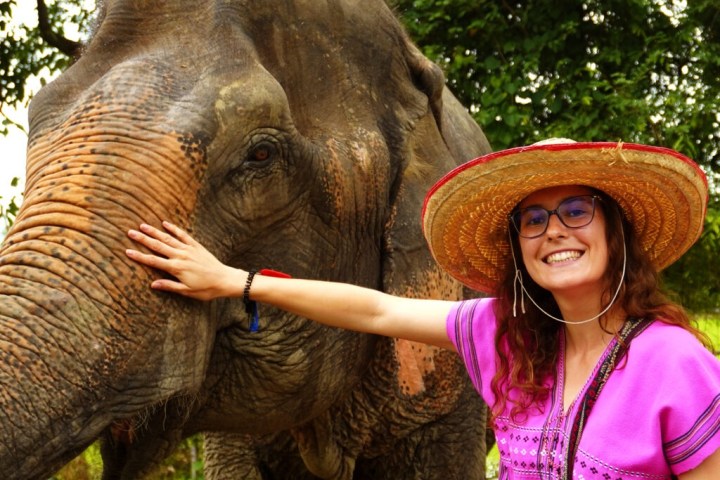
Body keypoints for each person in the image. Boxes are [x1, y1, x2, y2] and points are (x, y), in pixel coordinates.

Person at [126, 139, 720, 478]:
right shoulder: (505, 334)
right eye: (533, 220)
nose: (554, 232)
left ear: (616, 231)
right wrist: (237, 280)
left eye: (576, 211)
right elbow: (377, 312)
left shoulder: (671, 362)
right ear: (517, 246)